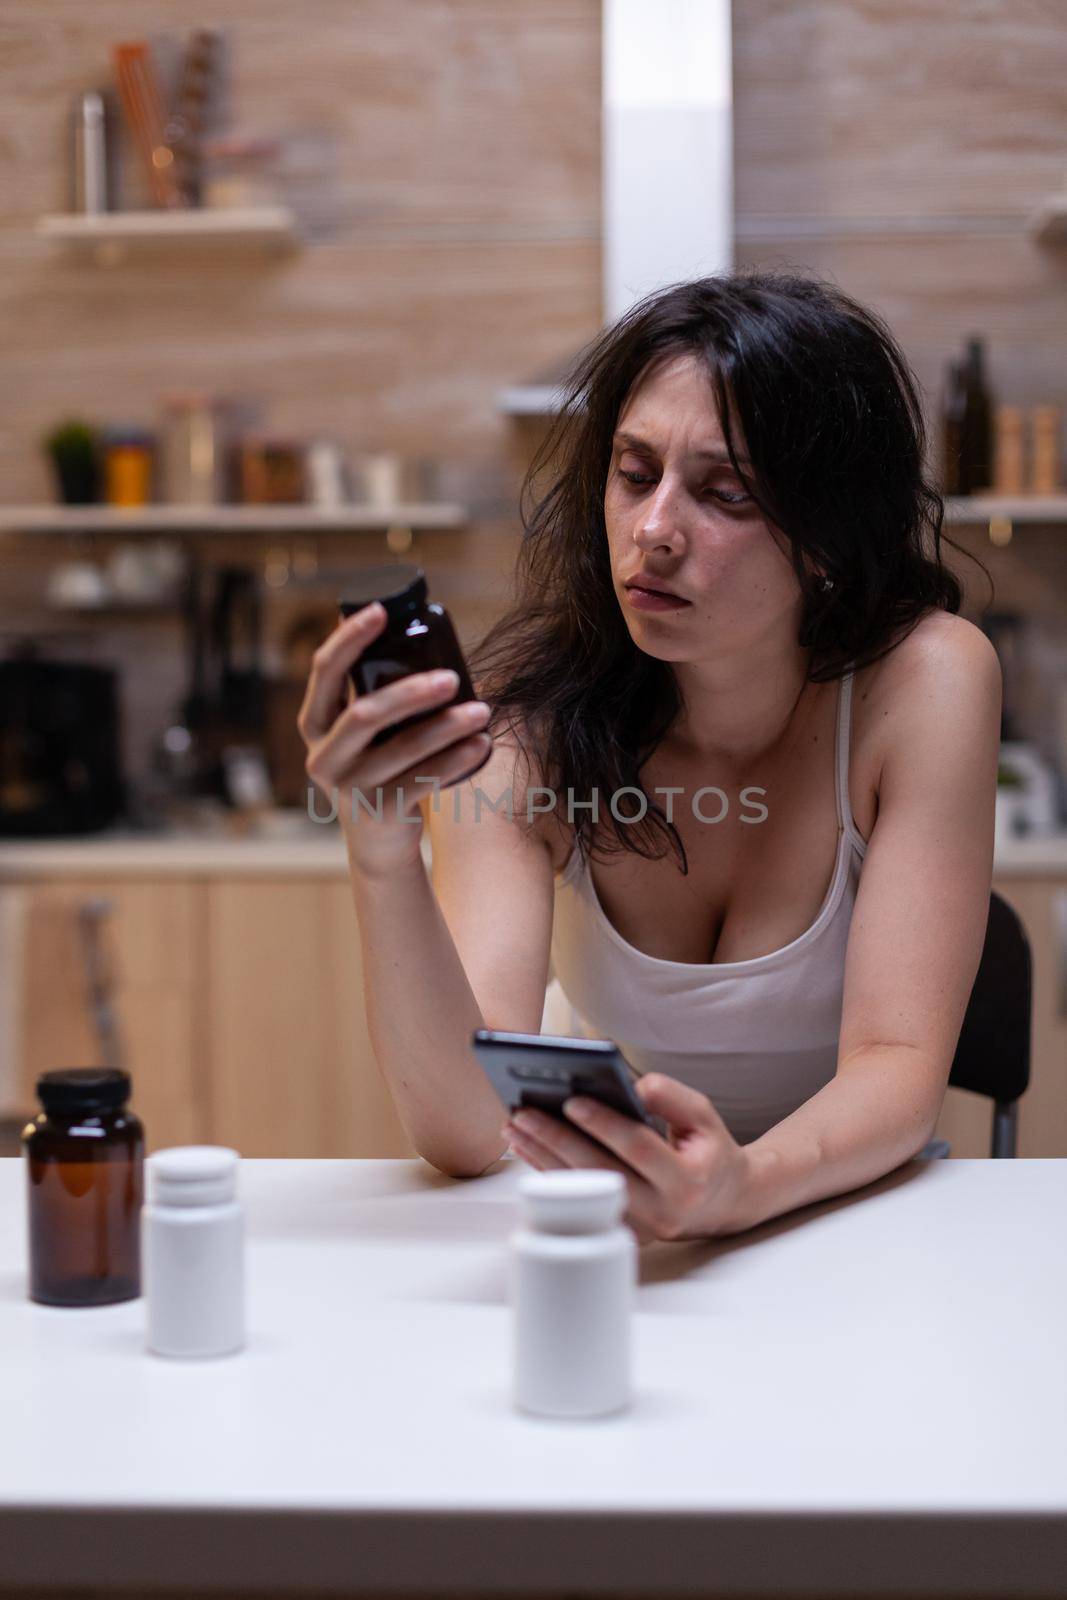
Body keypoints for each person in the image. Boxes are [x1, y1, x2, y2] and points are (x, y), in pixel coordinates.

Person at [298, 271, 1001, 1245]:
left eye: (723, 493)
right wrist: (379, 850)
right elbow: (463, 1129)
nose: (653, 530)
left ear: (827, 541)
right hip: (618, 1219)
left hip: (850, 1220)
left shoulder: (925, 681)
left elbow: (894, 1062)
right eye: (633, 474)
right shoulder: (524, 739)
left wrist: (737, 1188)